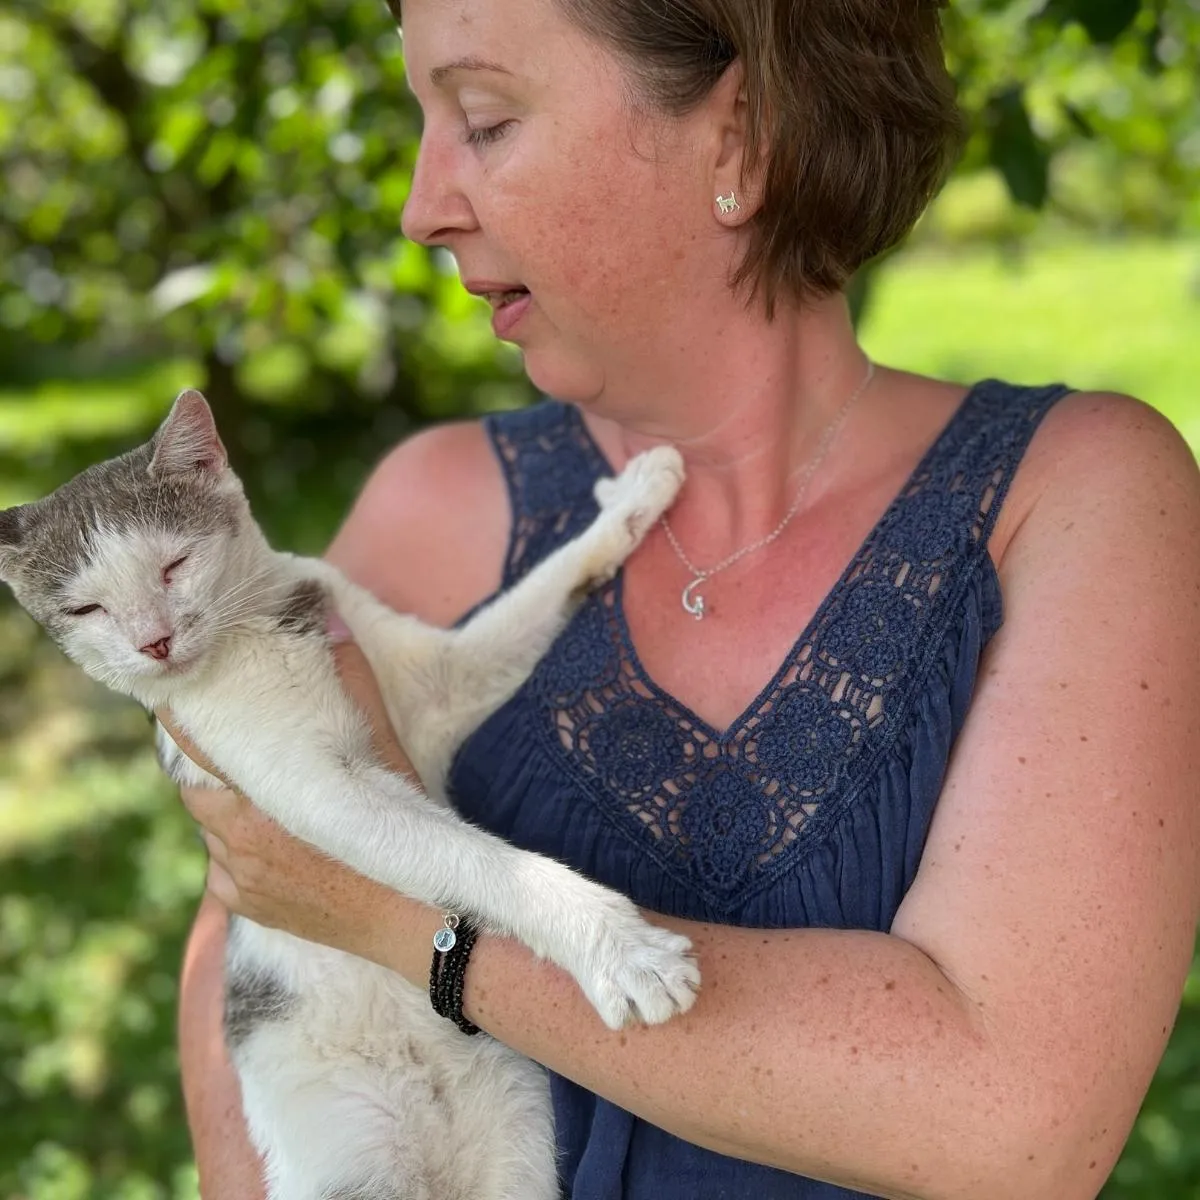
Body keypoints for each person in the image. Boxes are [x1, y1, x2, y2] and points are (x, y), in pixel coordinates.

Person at [174, 0, 1200, 1196]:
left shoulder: (1073, 496)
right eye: (422, 124)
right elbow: (250, 993)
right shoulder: (426, 519)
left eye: (487, 120)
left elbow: (1009, 1119)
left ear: (742, 138)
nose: (420, 206)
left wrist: (422, 924)